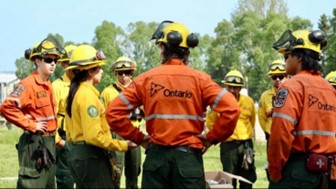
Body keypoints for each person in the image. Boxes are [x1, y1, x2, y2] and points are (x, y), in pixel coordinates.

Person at [105, 20, 240, 188]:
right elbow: (232, 109)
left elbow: (113, 113)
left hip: (156, 159)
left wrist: (139, 138)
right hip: (188, 160)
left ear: (163, 49)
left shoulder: (146, 79)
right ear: (187, 51)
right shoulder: (201, 80)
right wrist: (211, 139)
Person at [268, 29, 336, 188]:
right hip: (323, 174)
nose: (285, 61)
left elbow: (280, 132)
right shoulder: (330, 90)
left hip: (295, 173)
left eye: (287, 56)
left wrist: (275, 170)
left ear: (298, 57)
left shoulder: (291, 87)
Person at [64, 44, 137, 188]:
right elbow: (93, 136)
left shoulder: (77, 92)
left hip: (81, 155)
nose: (102, 71)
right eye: (99, 67)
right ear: (90, 71)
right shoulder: (87, 96)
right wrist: (123, 145)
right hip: (90, 156)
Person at [0, 37, 64, 188]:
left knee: (49, 184)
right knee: (32, 184)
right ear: (37, 61)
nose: (53, 63)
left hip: (49, 143)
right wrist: (31, 125)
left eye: (55, 60)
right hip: (34, 144)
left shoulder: (48, 84)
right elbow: (6, 107)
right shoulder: (28, 84)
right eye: (48, 59)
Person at [206, 70, 257, 189]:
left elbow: (252, 121)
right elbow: (211, 122)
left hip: (246, 146)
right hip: (228, 147)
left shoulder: (248, 101)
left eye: (236, 87)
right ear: (225, 86)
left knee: (247, 180)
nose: (233, 90)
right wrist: (221, 136)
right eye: (230, 87)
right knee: (229, 180)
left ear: (240, 88)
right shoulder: (219, 102)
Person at [100, 56, 143, 189]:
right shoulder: (107, 92)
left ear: (132, 73)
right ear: (115, 73)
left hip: (135, 134)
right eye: (120, 73)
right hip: (116, 135)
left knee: (134, 169)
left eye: (128, 72)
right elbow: (102, 117)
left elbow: (147, 111)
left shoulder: (139, 90)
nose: (124, 76)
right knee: (115, 171)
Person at [52, 44, 77, 189]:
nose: (72, 67)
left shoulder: (83, 85)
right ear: (62, 64)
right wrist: (58, 141)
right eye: (68, 63)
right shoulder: (56, 86)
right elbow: (50, 116)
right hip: (64, 139)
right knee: (66, 180)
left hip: (81, 140)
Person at [258, 59, 287, 147]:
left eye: (281, 77)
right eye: (274, 77)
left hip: (288, 136)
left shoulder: (294, 93)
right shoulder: (265, 96)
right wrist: (267, 132)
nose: (277, 79)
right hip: (271, 136)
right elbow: (261, 117)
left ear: (287, 76)